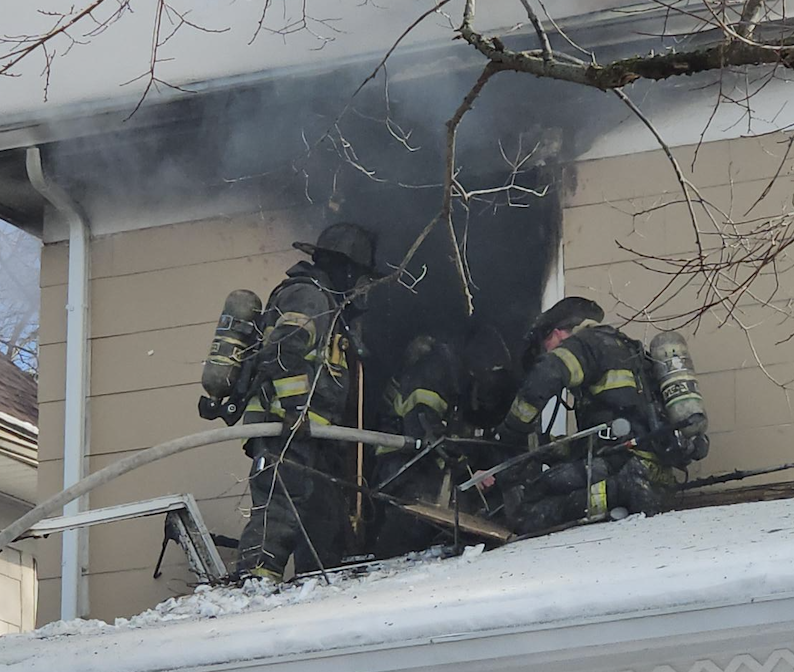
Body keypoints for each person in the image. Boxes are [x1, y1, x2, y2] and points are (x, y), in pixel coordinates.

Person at [236, 222, 379, 580]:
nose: (360, 288)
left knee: (324, 513)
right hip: (287, 428)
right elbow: (286, 352)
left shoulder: (324, 301)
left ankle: (316, 584)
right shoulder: (309, 296)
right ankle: (255, 581)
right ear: (345, 267)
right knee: (281, 507)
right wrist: (296, 409)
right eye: (359, 277)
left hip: (309, 432)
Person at [494, 297, 708, 535]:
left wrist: (511, 433)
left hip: (623, 467)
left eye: (545, 345)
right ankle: (625, 491)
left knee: (527, 511)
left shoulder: (584, 345)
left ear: (556, 334)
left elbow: (545, 377)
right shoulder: (630, 350)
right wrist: (551, 449)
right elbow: (617, 424)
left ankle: (619, 491)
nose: (547, 352)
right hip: (658, 474)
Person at [374, 326, 517, 559]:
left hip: (429, 462)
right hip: (402, 462)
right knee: (414, 518)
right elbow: (424, 427)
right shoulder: (434, 371)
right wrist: (465, 470)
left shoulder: (457, 376)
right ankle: (388, 564)